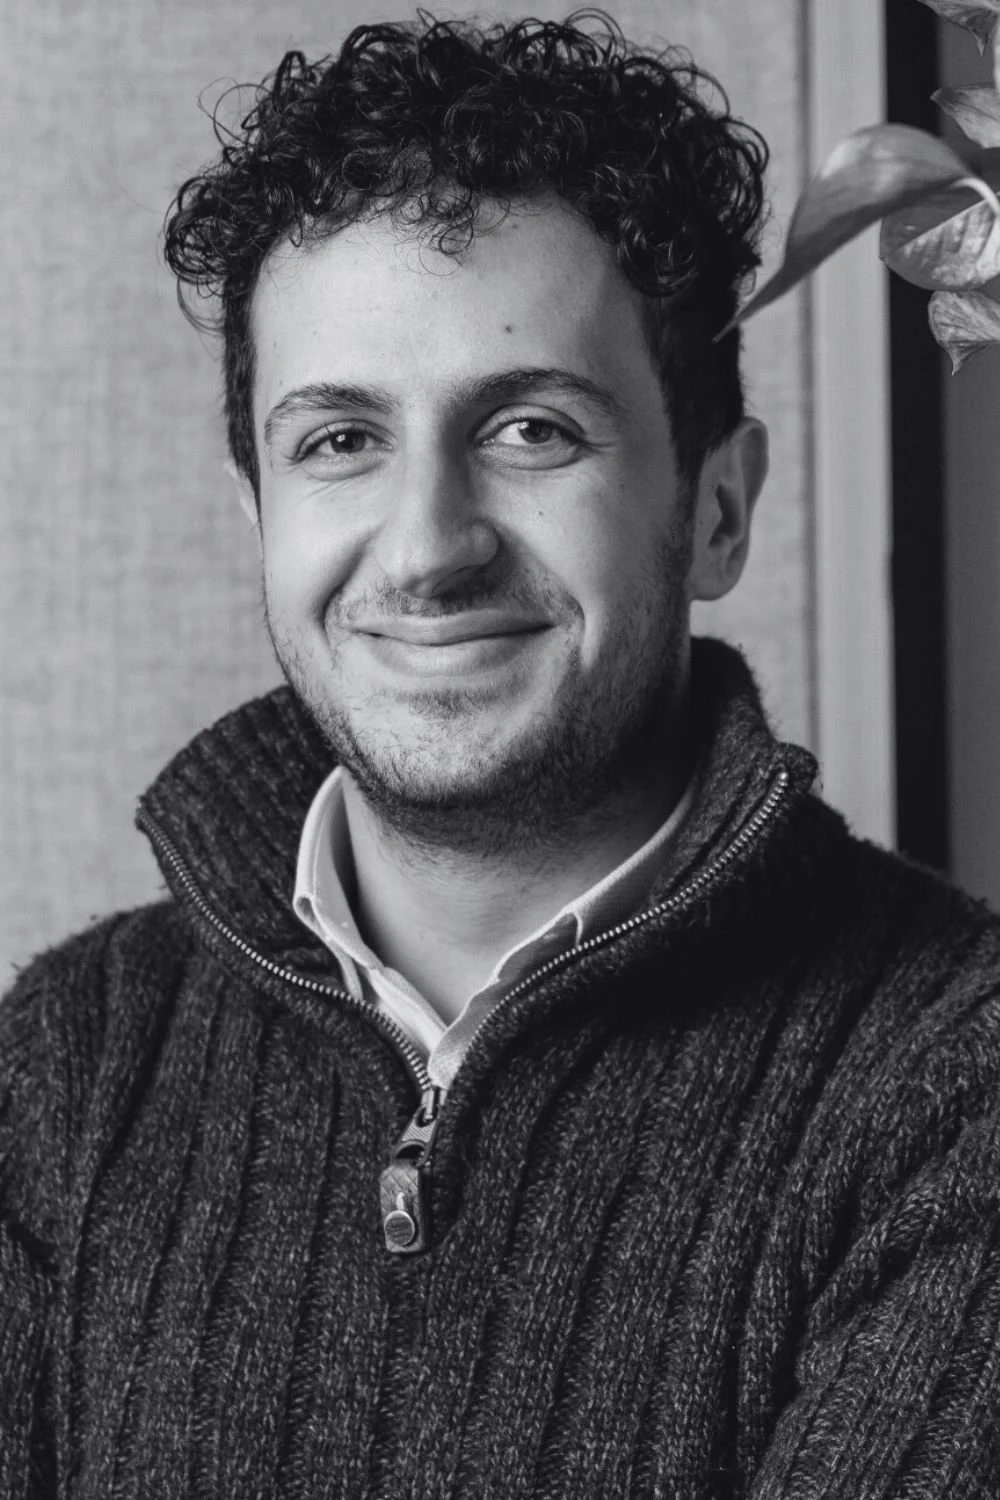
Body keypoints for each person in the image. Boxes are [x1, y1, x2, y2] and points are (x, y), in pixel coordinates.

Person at [2, 11, 998, 1496]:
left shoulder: (957, 1084)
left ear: (716, 511)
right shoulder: (70, 1064)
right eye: (339, 440)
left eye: (531, 429)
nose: (427, 547)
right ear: (262, 519)